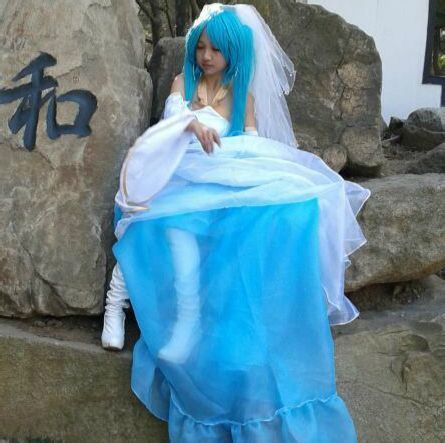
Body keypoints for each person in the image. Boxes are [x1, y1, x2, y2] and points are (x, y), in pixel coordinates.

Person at [101, 4, 370, 441]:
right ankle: (121, 306)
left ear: (234, 53)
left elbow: (252, 148)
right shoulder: (183, 84)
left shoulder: (241, 96)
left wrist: (241, 166)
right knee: (159, 227)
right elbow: (166, 132)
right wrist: (191, 125)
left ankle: (229, 325)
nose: (206, 57)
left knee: (279, 215)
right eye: (201, 48)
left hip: (218, 180)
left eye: (216, 50)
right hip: (173, 178)